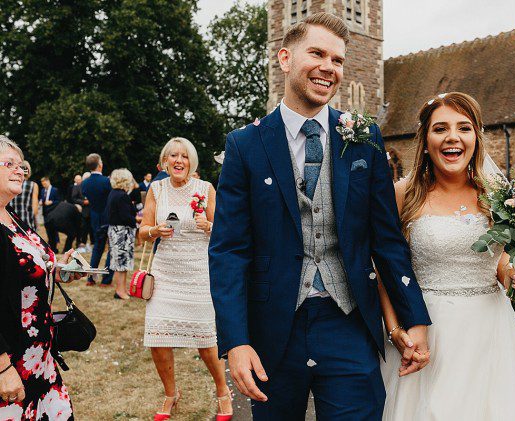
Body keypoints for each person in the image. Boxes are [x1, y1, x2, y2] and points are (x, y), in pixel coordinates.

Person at [209, 13, 431, 420]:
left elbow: (386, 239)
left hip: (348, 323)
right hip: (273, 328)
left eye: (338, 60)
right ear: (285, 58)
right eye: (317, 53)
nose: (329, 67)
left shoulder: (364, 137)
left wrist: (413, 317)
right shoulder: (245, 145)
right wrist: (236, 341)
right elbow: (229, 251)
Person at [379, 92, 515, 420]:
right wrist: (395, 331)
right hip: (426, 334)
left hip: (490, 336)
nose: (452, 137)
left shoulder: (496, 193)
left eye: (463, 128)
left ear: (476, 137)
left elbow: (502, 259)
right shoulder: (402, 194)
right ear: (425, 140)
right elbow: (384, 267)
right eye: (440, 129)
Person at [139, 137, 232, 421]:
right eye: (173, 156)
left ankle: (222, 392)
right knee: (158, 337)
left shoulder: (206, 189)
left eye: (184, 156)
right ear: (165, 162)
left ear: (191, 162)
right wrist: (155, 230)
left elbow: (225, 232)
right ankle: (170, 393)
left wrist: (209, 226)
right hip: (165, 272)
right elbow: (142, 232)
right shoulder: (156, 189)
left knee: (205, 340)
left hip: (198, 272)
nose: (178, 161)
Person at [0, 135, 82, 420]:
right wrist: (3, 369)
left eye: (21, 166)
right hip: (10, 361)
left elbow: (23, 269)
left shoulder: (11, 218)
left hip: (39, 353)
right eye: (9, 164)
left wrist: (58, 269)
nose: (19, 170)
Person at [81, 153, 113, 286]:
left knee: (97, 248)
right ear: (100, 165)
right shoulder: (107, 181)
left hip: (95, 217)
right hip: (108, 217)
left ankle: (91, 278)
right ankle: (106, 280)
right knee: (112, 248)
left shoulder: (85, 183)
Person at [105, 169, 137, 300]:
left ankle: (122, 289)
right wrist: (135, 220)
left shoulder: (114, 193)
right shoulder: (122, 195)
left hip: (116, 231)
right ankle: (120, 291)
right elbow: (126, 216)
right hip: (122, 232)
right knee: (121, 263)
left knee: (121, 263)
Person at [9, 160, 38, 230]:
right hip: (27, 224)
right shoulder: (33, 185)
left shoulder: (10, 184)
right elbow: (35, 209)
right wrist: (36, 222)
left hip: (11, 223)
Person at [39, 176, 60, 252]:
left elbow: (58, 201)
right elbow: (42, 199)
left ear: (48, 182)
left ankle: (56, 244)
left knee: (54, 229)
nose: (44, 185)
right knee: (47, 228)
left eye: (45, 183)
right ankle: (50, 243)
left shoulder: (55, 190)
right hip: (45, 212)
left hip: (53, 212)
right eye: (42, 184)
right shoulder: (42, 191)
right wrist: (41, 201)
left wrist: (52, 202)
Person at [69, 174, 89, 252]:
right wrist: (83, 202)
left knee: (87, 228)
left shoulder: (88, 187)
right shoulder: (76, 187)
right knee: (81, 227)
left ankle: (86, 243)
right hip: (80, 210)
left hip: (89, 211)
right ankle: (79, 243)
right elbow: (73, 198)